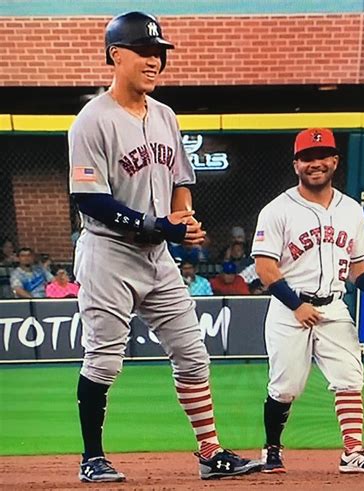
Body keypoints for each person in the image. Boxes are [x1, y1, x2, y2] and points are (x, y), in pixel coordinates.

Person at [68, 11, 261, 483]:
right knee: (104, 359)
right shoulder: (92, 120)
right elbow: (87, 197)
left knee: (194, 355)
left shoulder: (165, 116)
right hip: (109, 252)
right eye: (145, 52)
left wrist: (184, 219)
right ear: (116, 55)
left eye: (159, 53)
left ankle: (211, 452)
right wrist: (157, 223)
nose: (155, 61)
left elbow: (181, 181)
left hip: (157, 257)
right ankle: (92, 458)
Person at [251, 128, 364, 475]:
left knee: (350, 378)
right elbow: (264, 267)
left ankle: (352, 452)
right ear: (296, 165)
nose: (316, 164)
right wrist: (296, 305)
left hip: (334, 305)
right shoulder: (277, 210)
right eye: (308, 158)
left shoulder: (351, 210)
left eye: (323, 156)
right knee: (285, 386)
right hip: (289, 308)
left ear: (335, 161)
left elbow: (358, 265)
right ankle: (272, 449)